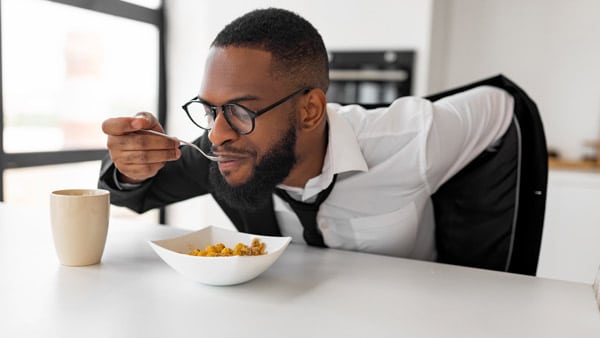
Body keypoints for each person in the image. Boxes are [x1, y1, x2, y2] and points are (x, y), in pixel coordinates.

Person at [99, 7, 513, 261]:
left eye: (241, 109)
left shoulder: (413, 137)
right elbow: (129, 193)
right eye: (210, 109)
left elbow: (497, 104)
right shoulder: (225, 148)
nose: (219, 133)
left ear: (310, 109)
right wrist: (133, 163)